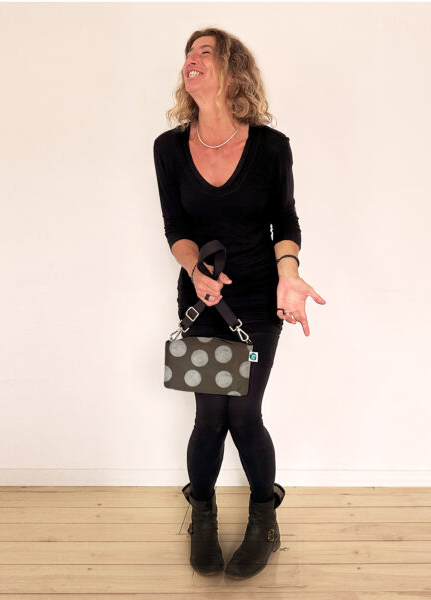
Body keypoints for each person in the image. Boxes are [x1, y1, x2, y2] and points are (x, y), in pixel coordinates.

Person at [153, 27, 325, 579]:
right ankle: (202, 516)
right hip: (202, 299)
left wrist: (288, 275)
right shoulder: (168, 148)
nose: (192, 60)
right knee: (209, 417)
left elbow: (285, 221)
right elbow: (176, 228)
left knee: (244, 414)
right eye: (189, 53)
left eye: (205, 52)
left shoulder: (271, 147)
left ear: (232, 71)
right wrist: (194, 271)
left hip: (257, 298)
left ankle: (263, 520)